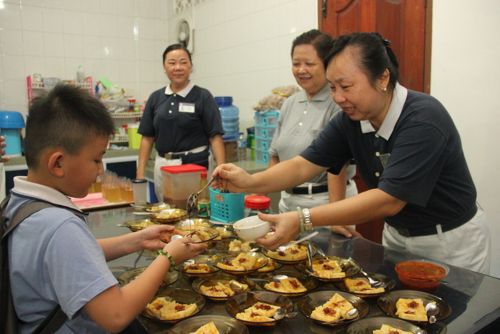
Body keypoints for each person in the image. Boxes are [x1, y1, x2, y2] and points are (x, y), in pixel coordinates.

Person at [213, 32, 490, 274]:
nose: (338, 97)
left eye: (346, 87)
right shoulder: (353, 119)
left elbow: (388, 200)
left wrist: (303, 219)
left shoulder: (423, 119)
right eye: (333, 88)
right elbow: (302, 166)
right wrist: (249, 182)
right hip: (396, 236)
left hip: (448, 241)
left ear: (383, 78)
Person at [4, 85, 207, 333]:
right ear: (58, 163)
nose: (100, 171)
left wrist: (137, 240)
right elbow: (116, 314)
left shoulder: (18, 202)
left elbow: (68, 257)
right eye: (97, 159)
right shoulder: (60, 226)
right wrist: (167, 258)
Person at [269, 29, 359, 238]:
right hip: (288, 203)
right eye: (296, 63)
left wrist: (336, 214)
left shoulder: (339, 102)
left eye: (309, 64)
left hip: (325, 203)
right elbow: (275, 155)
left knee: (328, 267)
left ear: (327, 64)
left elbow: (337, 165)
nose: (301, 70)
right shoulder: (290, 103)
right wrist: (259, 197)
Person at [136, 43, 225, 202]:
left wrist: (222, 170)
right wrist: (140, 174)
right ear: (164, 67)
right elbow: (147, 138)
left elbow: (215, 136)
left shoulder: (203, 96)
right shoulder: (156, 98)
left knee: (194, 211)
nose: (178, 67)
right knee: (166, 212)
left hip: (195, 166)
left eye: (183, 62)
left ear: (191, 66)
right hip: (163, 165)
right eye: (172, 63)